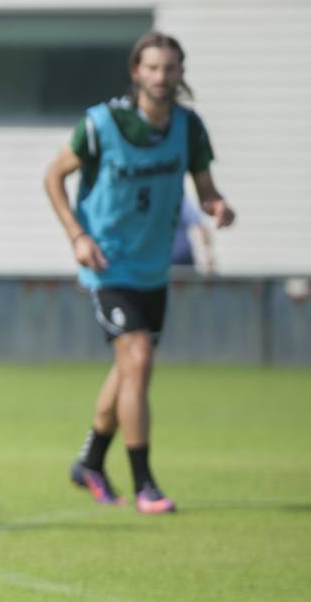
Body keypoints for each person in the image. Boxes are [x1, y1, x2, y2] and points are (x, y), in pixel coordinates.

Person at [44, 31, 236, 514]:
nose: (161, 77)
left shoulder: (188, 128)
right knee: (139, 358)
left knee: (130, 368)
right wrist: (76, 236)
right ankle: (146, 483)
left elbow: (205, 186)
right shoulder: (100, 125)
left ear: (180, 73)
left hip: (155, 269)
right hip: (107, 266)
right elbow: (52, 177)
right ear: (136, 72)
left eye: (169, 68)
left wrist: (217, 205)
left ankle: (89, 461)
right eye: (152, 68)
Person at [169, 194, 216, 274]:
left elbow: (201, 227)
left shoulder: (180, 201)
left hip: (182, 261)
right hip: (158, 261)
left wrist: (207, 254)